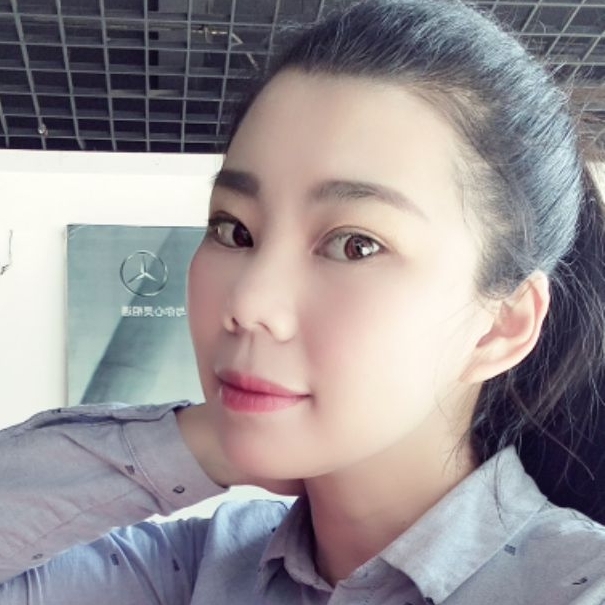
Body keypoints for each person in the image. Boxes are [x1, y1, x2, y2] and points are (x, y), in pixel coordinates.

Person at [1, 0, 605, 603]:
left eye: (356, 244)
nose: (248, 302)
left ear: (501, 326)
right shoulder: (195, 572)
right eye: (235, 230)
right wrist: (203, 443)